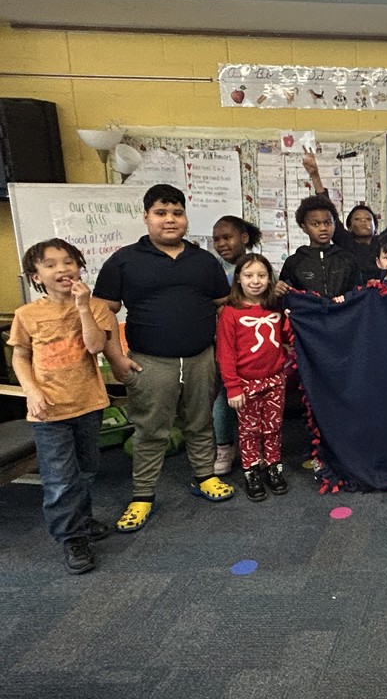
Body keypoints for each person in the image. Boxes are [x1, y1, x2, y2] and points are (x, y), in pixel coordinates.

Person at [94, 184, 234, 533]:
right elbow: (103, 313)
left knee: (200, 422)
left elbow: (225, 309)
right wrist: (116, 358)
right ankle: (143, 496)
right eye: (161, 213)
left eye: (176, 213)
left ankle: (204, 477)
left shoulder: (204, 261)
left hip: (202, 358)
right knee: (151, 431)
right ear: (146, 217)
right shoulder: (124, 260)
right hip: (150, 362)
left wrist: (223, 355)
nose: (170, 220)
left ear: (185, 217)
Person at [8, 239, 118, 573]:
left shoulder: (94, 305)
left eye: (69, 262)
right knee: (59, 479)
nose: (62, 270)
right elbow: (21, 355)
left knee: (85, 470)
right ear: (36, 275)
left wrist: (83, 307)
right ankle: (72, 537)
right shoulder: (27, 315)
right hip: (48, 411)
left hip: (88, 403)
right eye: (51, 264)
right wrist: (31, 390)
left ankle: (80, 520)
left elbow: (96, 345)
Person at [216, 254, 292, 502]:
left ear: (270, 278)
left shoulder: (275, 307)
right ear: (239, 279)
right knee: (249, 431)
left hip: (275, 379)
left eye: (261, 275)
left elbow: (287, 338)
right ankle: (251, 472)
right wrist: (232, 387)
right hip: (245, 383)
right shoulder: (230, 313)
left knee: (273, 428)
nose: (256, 281)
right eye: (249, 276)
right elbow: (225, 353)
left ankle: (273, 468)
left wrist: (293, 315)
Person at [303, 150, 387, 284]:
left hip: (380, 294)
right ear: (349, 227)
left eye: (368, 219)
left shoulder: (381, 242)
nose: (363, 222)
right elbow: (329, 211)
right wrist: (315, 176)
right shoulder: (346, 242)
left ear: (375, 227)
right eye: (357, 219)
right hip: (353, 296)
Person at [210, 215, 263, 476]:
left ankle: (254, 446)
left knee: (256, 401)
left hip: (256, 349)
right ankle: (224, 446)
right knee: (224, 397)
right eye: (216, 239)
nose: (221, 243)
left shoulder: (259, 268)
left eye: (227, 237)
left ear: (243, 238)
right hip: (224, 345)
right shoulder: (211, 269)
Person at [275, 194, 358, 302]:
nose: (323, 228)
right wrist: (277, 290)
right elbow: (284, 298)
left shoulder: (348, 259)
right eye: (315, 224)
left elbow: (358, 293)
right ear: (304, 227)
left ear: (334, 224)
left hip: (342, 316)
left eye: (328, 223)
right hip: (308, 317)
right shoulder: (294, 262)